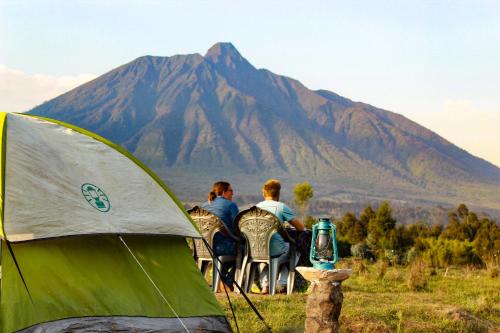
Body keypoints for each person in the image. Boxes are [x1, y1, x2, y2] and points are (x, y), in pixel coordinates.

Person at [256, 179, 305, 294]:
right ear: (278, 194)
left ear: (264, 193)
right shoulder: (281, 207)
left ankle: (265, 286)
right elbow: (301, 228)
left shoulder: (256, 207)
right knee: (295, 251)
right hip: (276, 251)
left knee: (267, 259)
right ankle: (281, 283)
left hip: (257, 250)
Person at [201, 181, 239, 288]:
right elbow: (238, 227)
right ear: (223, 192)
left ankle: (219, 279)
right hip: (222, 248)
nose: (233, 193)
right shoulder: (230, 205)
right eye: (231, 190)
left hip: (204, 247)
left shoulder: (204, 206)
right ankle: (227, 281)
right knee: (246, 252)